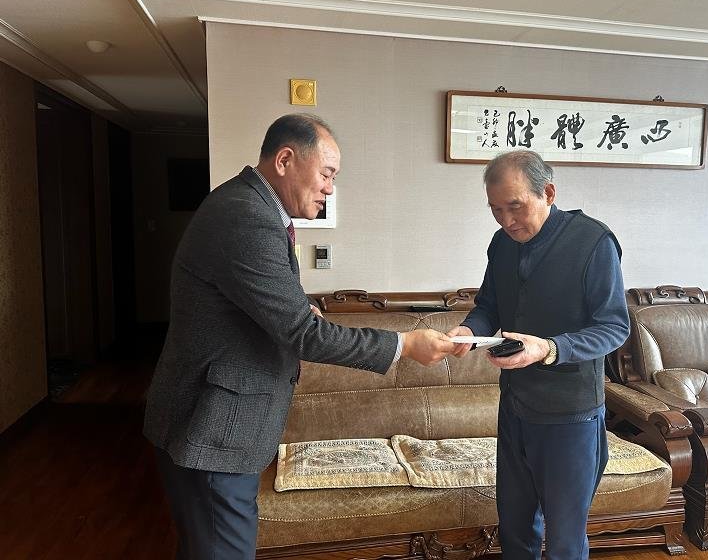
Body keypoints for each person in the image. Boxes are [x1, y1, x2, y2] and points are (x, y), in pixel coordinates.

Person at [144, 113, 455, 560]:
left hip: (215, 425)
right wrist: (404, 344)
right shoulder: (246, 216)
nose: (330, 188)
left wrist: (298, 306)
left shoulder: (248, 206)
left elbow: (257, 300)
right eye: (327, 174)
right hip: (213, 429)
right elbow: (303, 335)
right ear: (285, 159)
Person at [447, 150, 630, 560]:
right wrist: (470, 331)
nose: (506, 221)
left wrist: (549, 348)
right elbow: (489, 305)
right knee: (514, 529)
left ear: (548, 192)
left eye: (515, 206)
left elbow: (614, 327)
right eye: (496, 210)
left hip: (570, 416)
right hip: (514, 407)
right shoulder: (502, 243)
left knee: (564, 542)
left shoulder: (593, 242)